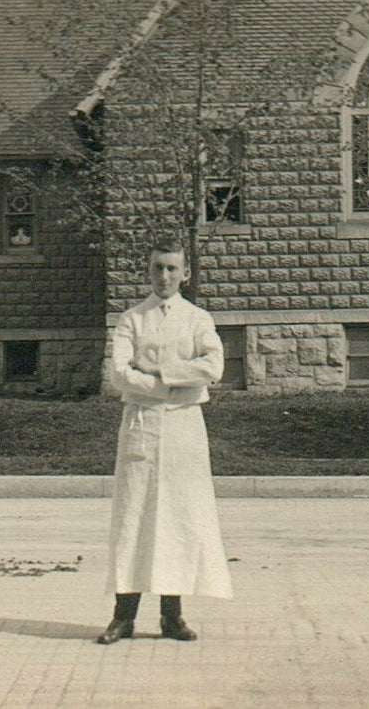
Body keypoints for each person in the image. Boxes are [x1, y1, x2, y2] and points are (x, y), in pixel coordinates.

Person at [96, 239, 232, 644]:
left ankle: (172, 618)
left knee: (178, 521)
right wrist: (172, 387)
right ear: (147, 271)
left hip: (184, 430)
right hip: (142, 426)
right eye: (158, 268)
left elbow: (214, 366)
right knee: (133, 517)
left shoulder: (198, 319)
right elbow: (119, 375)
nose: (165, 276)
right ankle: (123, 617)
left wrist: (158, 372)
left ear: (185, 273)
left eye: (173, 269)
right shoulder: (131, 320)